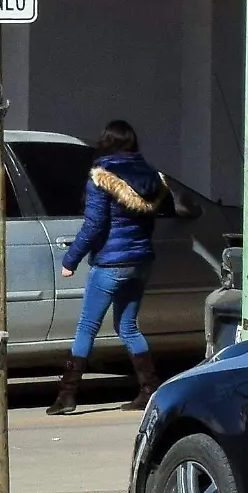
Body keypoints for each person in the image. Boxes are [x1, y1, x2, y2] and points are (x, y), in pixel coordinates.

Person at [47, 120, 167, 415]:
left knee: (87, 326)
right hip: (141, 262)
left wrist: (70, 259)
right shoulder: (151, 179)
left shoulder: (101, 178)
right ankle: (150, 389)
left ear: (106, 143)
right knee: (127, 326)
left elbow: (94, 225)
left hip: (111, 264)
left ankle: (67, 395)